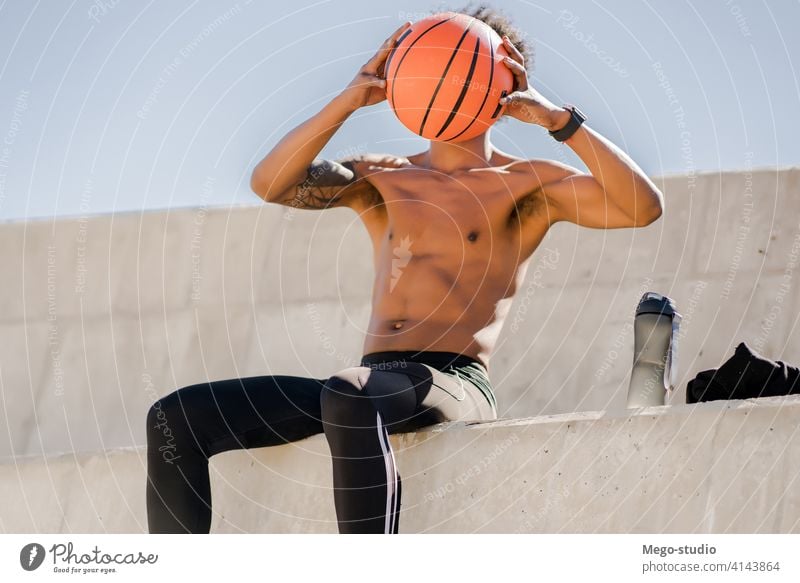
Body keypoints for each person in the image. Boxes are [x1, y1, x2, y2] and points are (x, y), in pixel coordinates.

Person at [145, 6, 663, 534]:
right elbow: (270, 183)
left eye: (461, 67)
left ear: (505, 87)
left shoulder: (526, 184)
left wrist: (560, 122)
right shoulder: (380, 177)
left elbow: (642, 207)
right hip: (368, 385)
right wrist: (350, 99)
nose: (443, 78)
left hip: (455, 382)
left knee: (348, 394)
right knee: (174, 418)